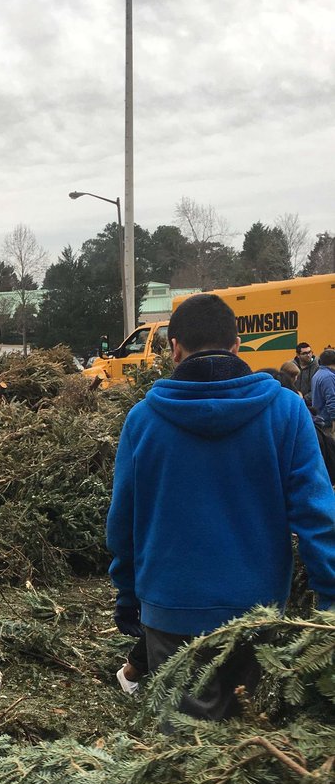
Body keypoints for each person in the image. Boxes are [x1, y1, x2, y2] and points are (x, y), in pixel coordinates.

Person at [107, 293, 335, 721]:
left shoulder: (143, 420)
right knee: (246, 742)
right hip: (257, 613)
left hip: (169, 608)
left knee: (184, 744)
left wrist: (127, 592)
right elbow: (317, 516)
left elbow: (123, 522)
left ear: (174, 348)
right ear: (236, 348)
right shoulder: (286, 412)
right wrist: (330, 598)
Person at [310, 349, 335, 433]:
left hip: (320, 420)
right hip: (328, 423)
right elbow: (332, 399)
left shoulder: (318, 374)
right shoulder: (329, 377)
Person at [293, 341, 318, 406]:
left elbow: (318, 388)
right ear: (298, 355)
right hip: (295, 402)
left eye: (310, 352)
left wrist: (304, 398)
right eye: (305, 353)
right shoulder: (291, 366)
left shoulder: (318, 366)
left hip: (312, 404)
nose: (308, 355)